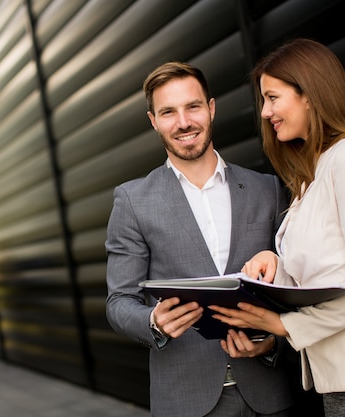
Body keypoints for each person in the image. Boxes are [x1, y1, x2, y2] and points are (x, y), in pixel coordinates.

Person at [209, 38, 345, 417]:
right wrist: (276, 261)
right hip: (343, 383)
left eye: (273, 97)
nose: (265, 112)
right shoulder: (313, 178)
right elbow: (328, 269)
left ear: (309, 94)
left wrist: (283, 324)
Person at [105, 61, 319, 417]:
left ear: (211, 108)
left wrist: (271, 344)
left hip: (270, 395)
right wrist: (153, 321)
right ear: (153, 121)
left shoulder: (267, 190)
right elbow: (119, 302)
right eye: (168, 112)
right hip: (186, 399)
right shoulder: (132, 200)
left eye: (192, 106)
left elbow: (295, 286)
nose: (184, 122)